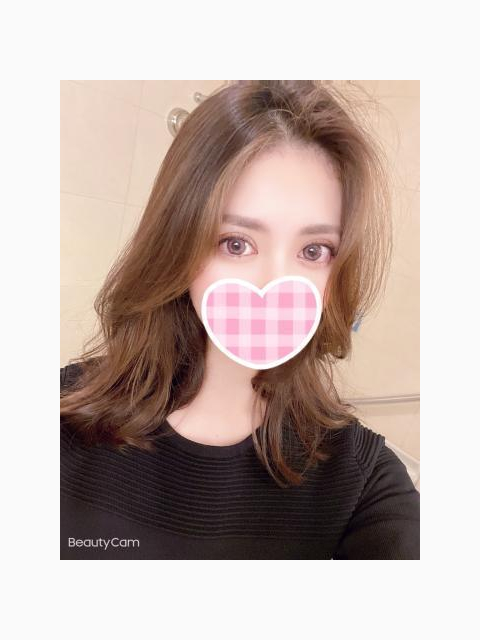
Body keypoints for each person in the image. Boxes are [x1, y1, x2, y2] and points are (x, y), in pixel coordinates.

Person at [60, 80, 420, 560]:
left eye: (314, 251)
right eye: (236, 243)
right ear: (178, 244)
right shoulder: (62, 415)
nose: (274, 284)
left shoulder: (359, 479)